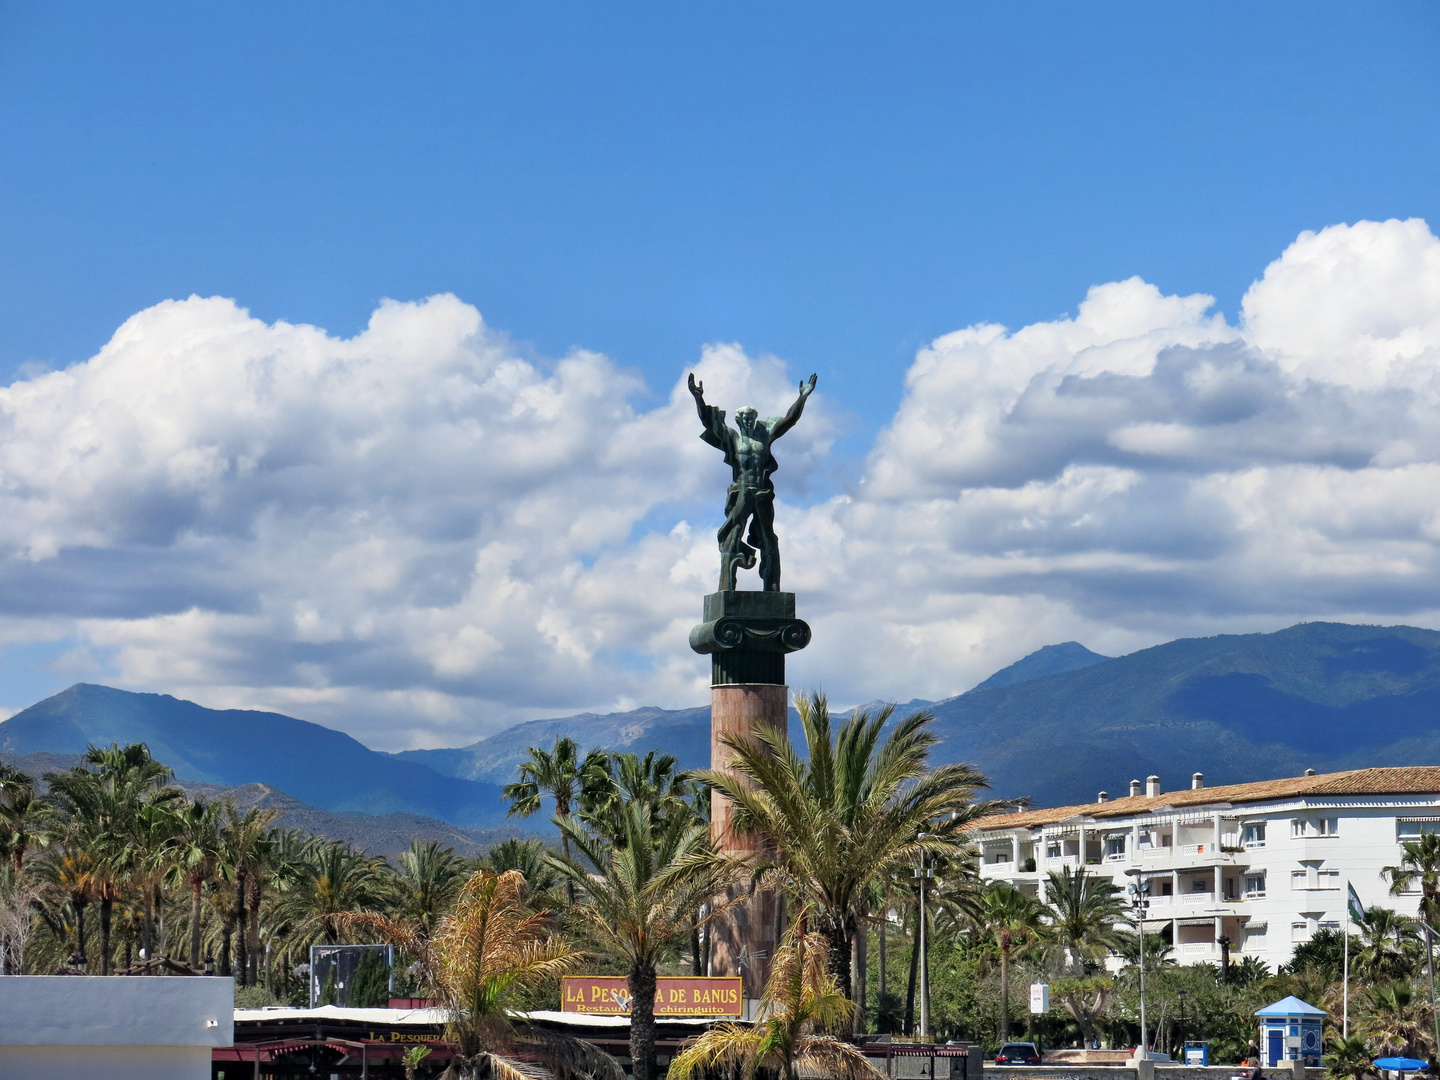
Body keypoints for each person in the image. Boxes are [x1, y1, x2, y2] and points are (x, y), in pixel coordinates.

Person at [688, 372, 817, 592]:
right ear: (738, 421)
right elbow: (708, 422)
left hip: (763, 492)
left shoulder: (765, 435)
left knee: (769, 537)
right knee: (733, 535)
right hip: (742, 491)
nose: (748, 419)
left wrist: (803, 397)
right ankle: (727, 587)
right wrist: (698, 398)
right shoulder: (733, 438)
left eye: (751, 416)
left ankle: (772, 586)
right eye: (744, 417)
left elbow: (789, 420)